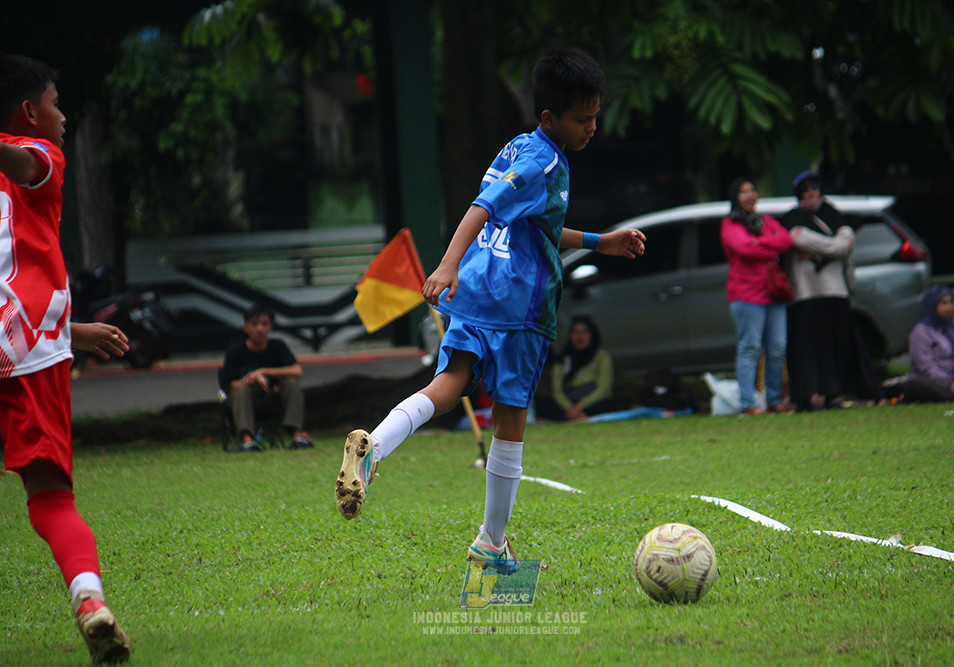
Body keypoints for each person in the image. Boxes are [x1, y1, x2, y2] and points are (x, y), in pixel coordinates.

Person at [334, 48, 645, 574]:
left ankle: (374, 447)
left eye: (596, 116)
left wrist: (600, 241)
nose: (592, 127)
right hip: (517, 303)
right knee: (510, 419)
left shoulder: (520, 147)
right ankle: (491, 545)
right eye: (582, 119)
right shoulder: (542, 160)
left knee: (449, 386)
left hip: (478, 292)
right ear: (550, 118)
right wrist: (445, 265)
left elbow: (538, 228)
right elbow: (482, 209)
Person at [0, 54, 133, 664]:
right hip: (27, 360)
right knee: (52, 501)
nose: (62, 117)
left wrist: (74, 330)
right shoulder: (42, 158)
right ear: (30, 111)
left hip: (37, 343)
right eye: (56, 103)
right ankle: (90, 602)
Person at [781, 170, 882, 410]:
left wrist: (819, 249)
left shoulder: (833, 214)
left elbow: (846, 243)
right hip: (804, 295)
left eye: (814, 187)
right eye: (805, 190)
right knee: (807, 347)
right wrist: (833, 246)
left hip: (834, 292)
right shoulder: (791, 218)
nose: (810, 193)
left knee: (835, 345)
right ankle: (807, 395)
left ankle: (835, 393)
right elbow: (798, 238)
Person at [720, 176, 794, 415]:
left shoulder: (766, 221)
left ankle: (774, 399)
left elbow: (786, 240)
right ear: (735, 198)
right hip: (746, 295)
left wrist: (759, 241)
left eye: (753, 190)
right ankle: (748, 403)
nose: (750, 195)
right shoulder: (730, 225)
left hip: (774, 293)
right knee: (750, 348)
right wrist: (768, 244)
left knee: (777, 348)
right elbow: (744, 248)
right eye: (744, 192)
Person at [218, 303, 314, 451]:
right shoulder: (235, 351)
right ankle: (247, 439)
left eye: (264, 324)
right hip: (243, 402)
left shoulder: (278, 346)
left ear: (271, 327)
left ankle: (297, 434)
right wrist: (251, 380)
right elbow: (227, 384)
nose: (260, 329)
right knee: (240, 390)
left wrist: (263, 372)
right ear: (246, 327)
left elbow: (297, 371)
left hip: (270, 399)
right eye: (254, 324)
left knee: (291, 383)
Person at [903, 286, 954, 402]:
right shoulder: (921, 331)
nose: (949, 307)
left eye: (951, 302)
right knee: (919, 383)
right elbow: (926, 366)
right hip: (936, 381)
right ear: (932, 305)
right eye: (944, 303)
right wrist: (949, 383)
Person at [535, 315, 617, 421]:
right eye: (576, 332)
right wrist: (571, 409)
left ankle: (574, 417)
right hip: (567, 402)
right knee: (541, 403)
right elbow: (557, 391)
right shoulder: (562, 359)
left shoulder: (602, 357)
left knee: (609, 405)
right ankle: (576, 417)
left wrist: (579, 407)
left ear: (592, 334)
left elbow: (603, 388)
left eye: (584, 332)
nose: (580, 336)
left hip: (589, 402)